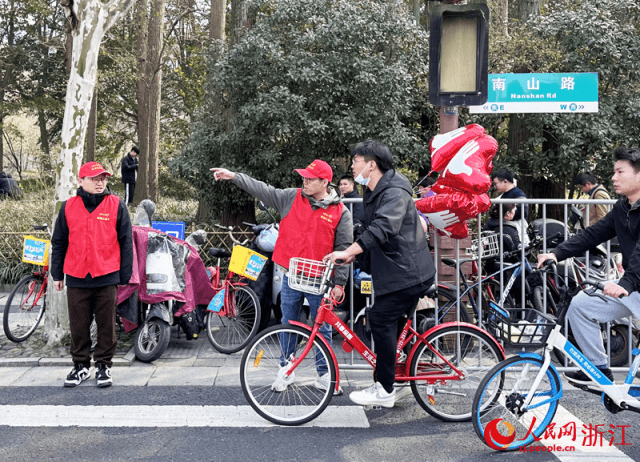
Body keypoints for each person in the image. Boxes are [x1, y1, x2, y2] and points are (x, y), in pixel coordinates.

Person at [211, 160, 352, 395]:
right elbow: (263, 189)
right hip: (292, 274)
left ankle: (324, 374)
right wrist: (234, 176)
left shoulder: (340, 212)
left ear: (325, 182)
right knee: (288, 323)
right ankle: (286, 370)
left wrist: (339, 284)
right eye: (303, 177)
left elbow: (345, 249)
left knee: (323, 327)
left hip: (320, 278)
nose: (304, 181)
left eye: (310, 178)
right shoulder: (290, 197)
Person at [325, 140, 436, 408]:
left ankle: (385, 389)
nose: (352, 166)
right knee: (389, 324)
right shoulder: (374, 190)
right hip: (398, 271)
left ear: (371, 164)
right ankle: (393, 378)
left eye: (356, 161)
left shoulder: (394, 192)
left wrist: (352, 249)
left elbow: (384, 226)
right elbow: (369, 229)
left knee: (379, 318)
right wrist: (353, 252)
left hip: (408, 273)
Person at [537, 147, 640, 385]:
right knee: (582, 305)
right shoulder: (622, 207)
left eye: (620, 171)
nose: (613, 177)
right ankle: (598, 369)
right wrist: (556, 254)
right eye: (613, 171)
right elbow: (593, 234)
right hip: (633, 288)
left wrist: (626, 282)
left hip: (632, 284)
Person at [51, 161, 133, 388]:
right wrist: (57, 274)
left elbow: (126, 243)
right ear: (81, 181)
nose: (100, 183)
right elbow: (58, 243)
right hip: (76, 275)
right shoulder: (68, 206)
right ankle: (80, 366)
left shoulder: (116, 205)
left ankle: (104, 365)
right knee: (79, 325)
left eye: (103, 179)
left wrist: (125, 276)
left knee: (106, 325)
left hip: (106, 275)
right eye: (95, 179)